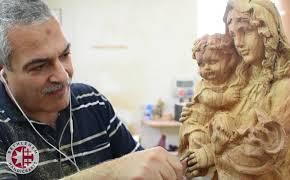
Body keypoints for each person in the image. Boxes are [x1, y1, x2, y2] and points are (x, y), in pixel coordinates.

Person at [0, 0, 184, 179]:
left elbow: (141, 167)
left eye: (65, 55)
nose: (63, 76)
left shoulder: (93, 101)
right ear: (4, 70)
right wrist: (113, 172)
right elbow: (123, 168)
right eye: (40, 66)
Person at [182, 0, 290, 179]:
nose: (237, 42)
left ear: (266, 31)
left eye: (245, 31)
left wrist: (210, 155)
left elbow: (265, 148)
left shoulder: (287, 88)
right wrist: (197, 113)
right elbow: (219, 125)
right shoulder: (237, 80)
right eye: (233, 34)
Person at [178, 33, 240, 177]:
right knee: (196, 139)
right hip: (197, 122)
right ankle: (195, 168)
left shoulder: (233, 81)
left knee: (208, 143)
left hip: (212, 126)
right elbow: (208, 98)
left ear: (229, 60)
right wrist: (225, 97)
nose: (205, 68)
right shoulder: (204, 84)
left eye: (212, 62)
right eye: (201, 64)